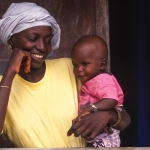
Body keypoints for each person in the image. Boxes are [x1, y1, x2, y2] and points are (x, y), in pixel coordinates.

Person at [0, 2, 131, 148]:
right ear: (12, 39)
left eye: (48, 40)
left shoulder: (73, 68)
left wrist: (109, 115)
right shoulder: (3, 87)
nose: (42, 47)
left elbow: (125, 119)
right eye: (32, 39)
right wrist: (10, 72)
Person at [70, 35, 124, 147]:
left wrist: (91, 108)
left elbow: (111, 99)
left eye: (84, 64)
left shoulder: (103, 79)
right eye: (75, 65)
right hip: (97, 133)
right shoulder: (91, 81)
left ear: (102, 64)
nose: (78, 69)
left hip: (106, 136)